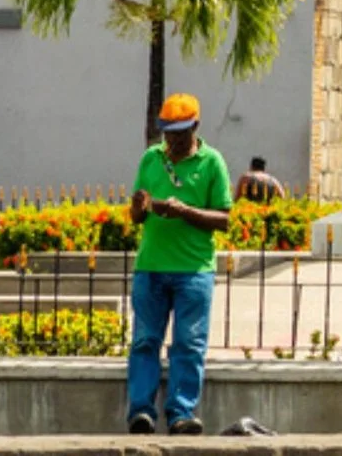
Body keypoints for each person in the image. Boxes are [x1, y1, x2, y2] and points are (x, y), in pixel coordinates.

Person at [126, 94, 232, 437]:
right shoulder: (150, 159)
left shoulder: (212, 162)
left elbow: (224, 218)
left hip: (194, 270)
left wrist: (184, 211)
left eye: (180, 134)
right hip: (151, 267)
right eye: (168, 133)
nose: (172, 141)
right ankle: (141, 412)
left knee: (188, 343)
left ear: (195, 128)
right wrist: (140, 208)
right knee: (145, 340)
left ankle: (181, 414)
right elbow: (136, 215)